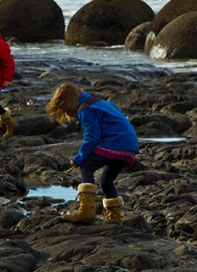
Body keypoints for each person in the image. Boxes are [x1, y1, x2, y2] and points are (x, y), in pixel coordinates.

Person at [46, 82, 139, 223]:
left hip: (114, 144)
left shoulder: (85, 109)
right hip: (129, 147)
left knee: (86, 166)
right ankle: (115, 218)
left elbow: (92, 137)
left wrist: (79, 158)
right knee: (106, 181)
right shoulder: (101, 103)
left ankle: (86, 211)